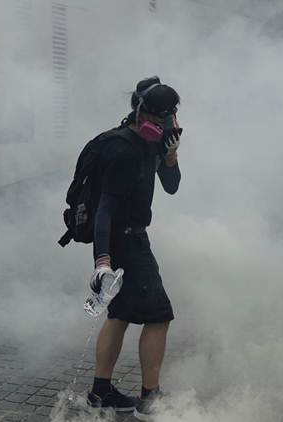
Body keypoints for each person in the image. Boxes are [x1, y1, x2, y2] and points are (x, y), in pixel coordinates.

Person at [85, 76, 181, 420]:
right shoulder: (122, 149)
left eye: (167, 119)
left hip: (134, 236)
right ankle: (150, 399)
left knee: (121, 314)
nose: (163, 125)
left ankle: (101, 393)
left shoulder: (152, 145)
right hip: (123, 241)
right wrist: (102, 260)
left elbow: (172, 186)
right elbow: (104, 209)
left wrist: (169, 155)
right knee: (159, 315)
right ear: (140, 114)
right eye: (157, 119)